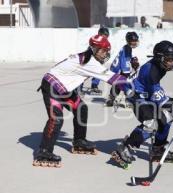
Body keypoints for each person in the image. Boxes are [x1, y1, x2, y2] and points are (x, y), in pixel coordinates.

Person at [111, 40, 173, 168]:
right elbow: (159, 98)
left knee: (167, 118)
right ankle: (124, 147)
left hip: (148, 91)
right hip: (137, 96)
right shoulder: (151, 72)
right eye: (170, 60)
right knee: (151, 123)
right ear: (160, 58)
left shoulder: (165, 62)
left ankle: (158, 148)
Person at [33, 35, 128, 168]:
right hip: (52, 86)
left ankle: (79, 141)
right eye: (104, 51)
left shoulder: (87, 57)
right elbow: (115, 79)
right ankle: (44, 151)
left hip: (64, 88)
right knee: (56, 119)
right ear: (95, 50)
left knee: (81, 108)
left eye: (107, 51)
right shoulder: (90, 63)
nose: (106, 54)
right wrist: (134, 85)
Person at [105, 31, 140, 106]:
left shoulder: (127, 48)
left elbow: (126, 60)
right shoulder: (126, 49)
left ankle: (111, 98)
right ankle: (128, 99)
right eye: (133, 41)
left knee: (119, 83)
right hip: (117, 70)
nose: (135, 43)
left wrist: (132, 59)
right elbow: (124, 65)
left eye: (135, 41)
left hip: (115, 69)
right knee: (125, 82)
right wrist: (127, 74)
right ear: (128, 41)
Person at [89, 27, 110, 94]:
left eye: (106, 36)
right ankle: (79, 88)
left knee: (99, 72)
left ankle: (94, 86)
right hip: (90, 59)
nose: (105, 38)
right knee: (84, 73)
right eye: (104, 36)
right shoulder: (95, 41)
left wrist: (104, 59)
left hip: (99, 60)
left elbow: (108, 53)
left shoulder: (106, 43)